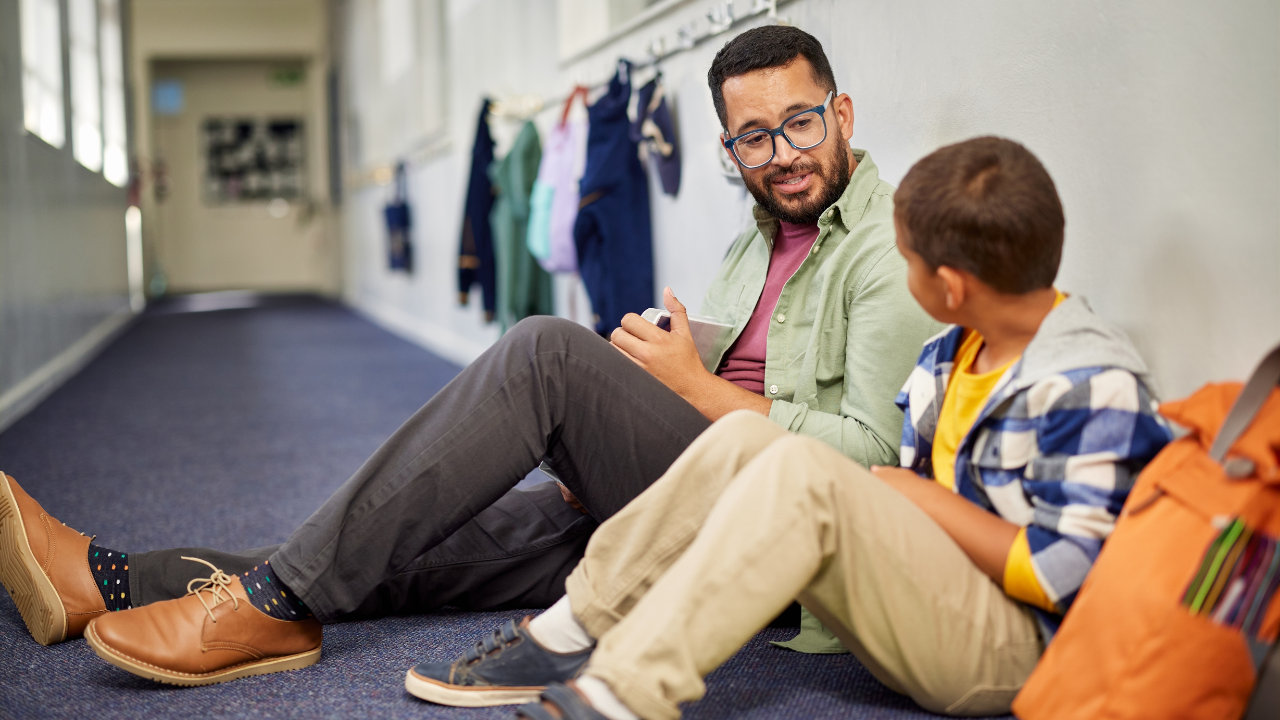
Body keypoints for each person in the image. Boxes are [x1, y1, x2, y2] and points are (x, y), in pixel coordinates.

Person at [0, 25, 938, 686]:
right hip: (675, 500)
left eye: (800, 123)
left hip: (781, 561)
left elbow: (872, 470)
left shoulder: (885, 252)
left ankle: (274, 603)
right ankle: (112, 582)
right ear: (729, 145)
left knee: (543, 355)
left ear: (842, 112)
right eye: (753, 137)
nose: (780, 154)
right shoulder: (762, 229)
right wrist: (634, 401)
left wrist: (682, 388)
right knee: (402, 542)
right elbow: (735, 374)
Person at [405, 136, 1176, 719]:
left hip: (1014, 655)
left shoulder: (1089, 383)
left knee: (805, 473)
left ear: (947, 285)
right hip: (928, 597)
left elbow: (1061, 575)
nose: (899, 273)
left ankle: (622, 693)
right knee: (742, 441)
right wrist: (901, 500)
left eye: (905, 260)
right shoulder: (950, 352)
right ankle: (571, 629)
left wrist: (918, 499)